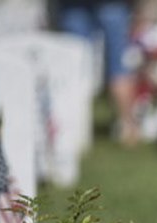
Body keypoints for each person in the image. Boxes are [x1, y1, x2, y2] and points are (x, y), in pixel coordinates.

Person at [56, 0, 140, 145]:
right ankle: (127, 127)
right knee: (115, 66)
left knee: (75, 69)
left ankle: (70, 130)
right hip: (90, 6)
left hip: (76, 6)